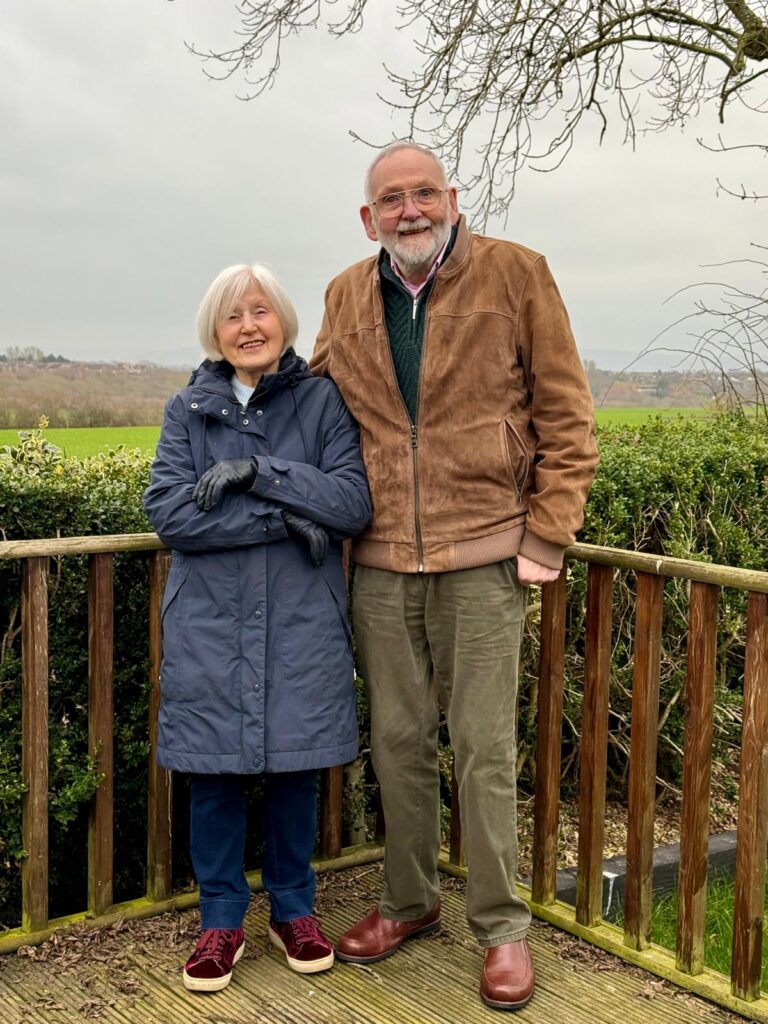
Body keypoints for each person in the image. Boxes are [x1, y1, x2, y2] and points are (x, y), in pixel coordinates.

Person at [310, 141, 598, 1011]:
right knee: (396, 744)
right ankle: (408, 902)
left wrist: (548, 535)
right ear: (369, 218)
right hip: (383, 560)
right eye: (391, 200)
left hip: (487, 556)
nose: (410, 210)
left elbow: (566, 414)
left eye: (424, 193)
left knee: (482, 748)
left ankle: (502, 929)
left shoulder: (517, 273)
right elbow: (312, 404)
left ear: (453, 198)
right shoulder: (342, 296)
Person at [143, 263, 371, 993]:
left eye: (261, 312)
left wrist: (257, 472)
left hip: (301, 624)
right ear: (215, 330)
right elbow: (172, 515)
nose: (249, 326)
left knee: (294, 772)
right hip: (210, 626)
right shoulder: (188, 410)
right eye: (233, 315)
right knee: (211, 774)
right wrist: (287, 518)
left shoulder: (321, 401)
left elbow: (350, 501)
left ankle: (295, 911)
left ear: (284, 323)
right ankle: (220, 922)